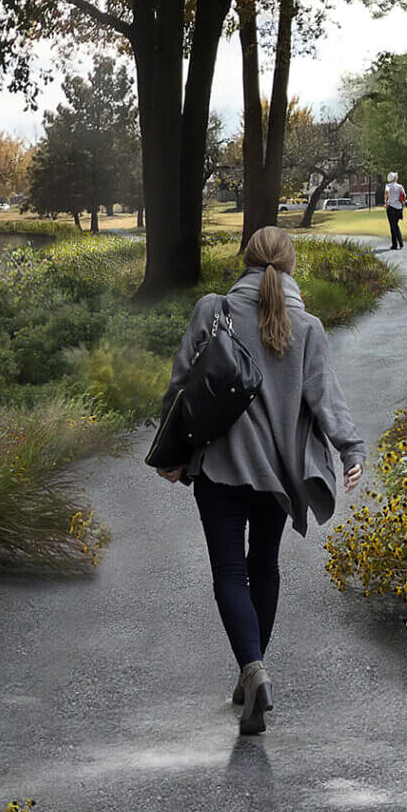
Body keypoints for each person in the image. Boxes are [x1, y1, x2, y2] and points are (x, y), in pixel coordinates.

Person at [156, 226, 364, 735]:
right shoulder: (309, 327)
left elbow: (182, 385)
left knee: (230, 573)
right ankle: (254, 669)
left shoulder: (213, 309)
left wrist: (173, 451)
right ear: (291, 266)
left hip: (220, 467)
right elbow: (326, 398)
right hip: (278, 474)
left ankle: (253, 671)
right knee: (264, 569)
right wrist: (350, 448)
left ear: (245, 260)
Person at [383, 173, 407, 250]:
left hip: (391, 207)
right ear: (395, 178)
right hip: (399, 208)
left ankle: (395, 244)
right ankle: (400, 243)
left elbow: (386, 193)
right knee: (395, 225)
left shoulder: (388, 186)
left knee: (392, 226)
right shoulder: (400, 186)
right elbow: (404, 195)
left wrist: (386, 201)